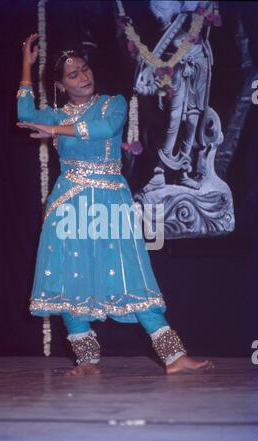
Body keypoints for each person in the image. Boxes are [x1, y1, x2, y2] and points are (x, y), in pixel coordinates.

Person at [17, 33, 212, 376]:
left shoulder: (113, 104)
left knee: (131, 270)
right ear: (61, 85)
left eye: (85, 69)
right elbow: (24, 113)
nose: (83, 76)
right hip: (69, 202)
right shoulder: (56, 114)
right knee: (71, 277)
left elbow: (103, 128)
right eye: (73, 74)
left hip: (109, 201)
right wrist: (26, 67)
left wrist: (57, 131)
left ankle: (173, 357)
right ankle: (87, 361)